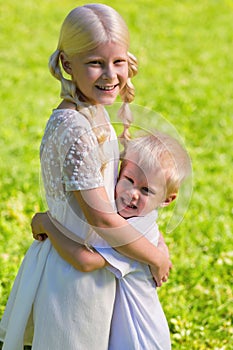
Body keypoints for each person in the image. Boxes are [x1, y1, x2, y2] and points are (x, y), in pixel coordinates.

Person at [0, 4, 171, 350]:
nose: (110, 75)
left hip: (90, 264)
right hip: (75, 278)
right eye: (96, 63)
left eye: (118, 61)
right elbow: (102, 218)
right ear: (67, 64)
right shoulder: (75, 130)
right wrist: (155, 256)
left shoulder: (91, 111)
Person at [32, 131, 191, 350]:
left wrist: (48, 224)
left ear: (167, 200)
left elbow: (85, 261)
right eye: (128, 180)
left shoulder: (131, 234)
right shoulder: (141, 219)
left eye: (145, 190)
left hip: (139, 340)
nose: (132, 194)